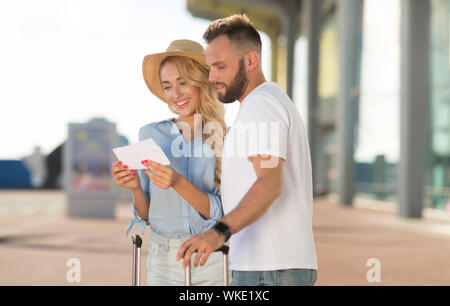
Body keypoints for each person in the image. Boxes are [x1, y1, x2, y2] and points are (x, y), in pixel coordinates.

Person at [177, 15, 318, 286]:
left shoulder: (261, 106)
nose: (212, 77)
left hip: (270, 268)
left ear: (251, 61)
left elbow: (269, 184)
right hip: (272, 266)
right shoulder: (266, 102)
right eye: (210, 68)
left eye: (220, 67)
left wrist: (219, 232)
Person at [111, 39, 227, 285]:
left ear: (202, 81)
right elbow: (147, 214)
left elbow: (221, 213)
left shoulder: (225, 137)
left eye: (183, 82)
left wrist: (176, 181)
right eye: (168, 86)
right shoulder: (150, 134)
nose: (176, 94)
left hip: (213, 259)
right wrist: (134, 187)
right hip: (163, 260)